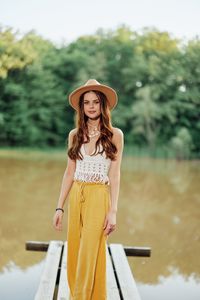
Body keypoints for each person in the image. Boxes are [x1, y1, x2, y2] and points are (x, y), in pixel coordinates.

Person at [53, 79, 124, 300]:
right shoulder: (74, 135)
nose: (91, 106)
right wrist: (59, 207)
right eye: (86, 102)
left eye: (95, 102)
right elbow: (69, 172)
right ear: (81, 107)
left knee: (91, 251)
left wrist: (112, 211)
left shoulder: (115, 135)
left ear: (103, 105)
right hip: (77, 194)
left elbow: (114, 174)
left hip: (98, 195)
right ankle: (78, 294)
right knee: (74, 249)